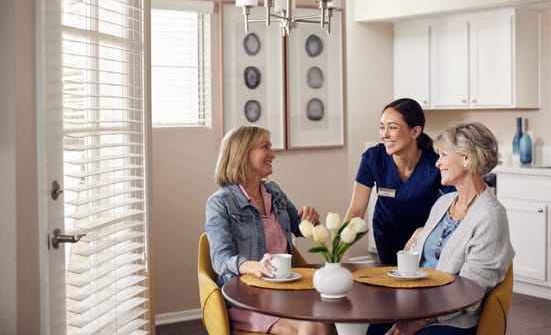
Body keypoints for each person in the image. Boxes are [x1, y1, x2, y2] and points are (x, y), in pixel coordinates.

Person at [387, 122, 515, 335]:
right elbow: (418, 258)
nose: (438, 163)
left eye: (444, 155)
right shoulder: (444, 202)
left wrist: (419, 322)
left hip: (453, 319)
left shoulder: (491, 215)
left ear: (466, 159)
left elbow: (471, 290)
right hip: (418, 307)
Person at [205, 125, 334, 335]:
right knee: (314, 327)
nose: (272, 154)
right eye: (265, 147)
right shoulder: (220, 203)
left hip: (285, 291)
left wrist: (311, 219)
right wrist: (254, 267)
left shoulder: (274, 192)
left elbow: (299, 227)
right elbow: (220, 259)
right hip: (248, 298)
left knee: (328, 319)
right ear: (243, 153)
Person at [344, 98, 455, 265]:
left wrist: (423, 232)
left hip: (424, 238)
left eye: (392, 128)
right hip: (385, 235)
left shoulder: (436, 165)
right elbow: (356, 210)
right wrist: (339, 245)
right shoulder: (373, 158)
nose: (384, 134)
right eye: (382, 127)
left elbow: (454, 207)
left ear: (415, 132)